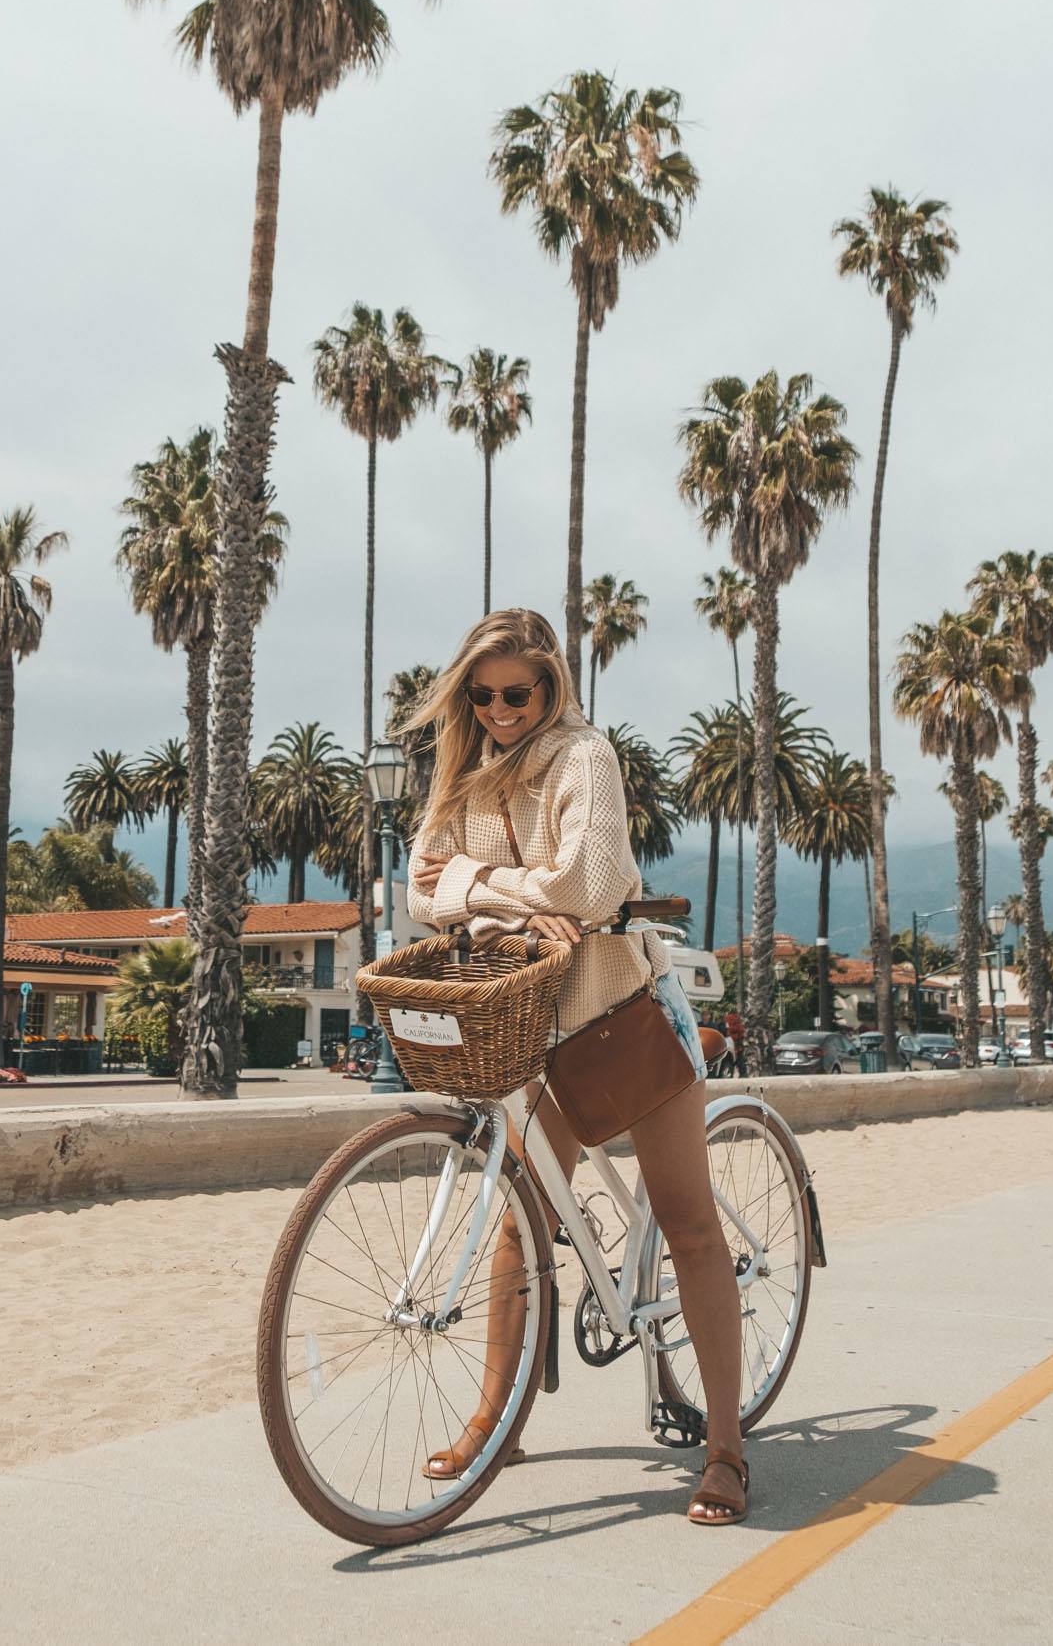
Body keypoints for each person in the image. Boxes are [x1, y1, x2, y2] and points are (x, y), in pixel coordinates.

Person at [397, 607, 749, 1526]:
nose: (500, 708)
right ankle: (496, 1419)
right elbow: (417, 889)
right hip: (524, 1028)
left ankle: (726, 1448)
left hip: (617, 1012)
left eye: (517, 692)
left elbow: (591, 891)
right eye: (482, 694)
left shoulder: (584, 756)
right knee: (517, 1222)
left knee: (688, 1221)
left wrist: (475, 890)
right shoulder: (464, 774)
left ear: (551, 684)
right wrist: (508, 899)